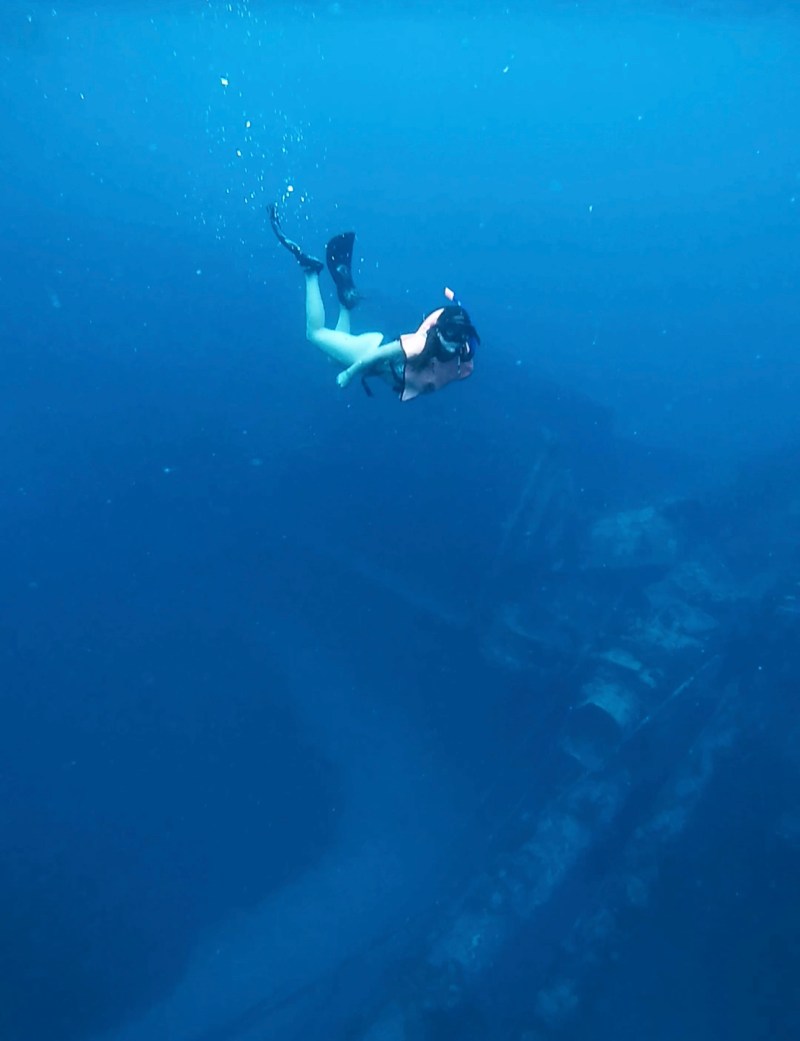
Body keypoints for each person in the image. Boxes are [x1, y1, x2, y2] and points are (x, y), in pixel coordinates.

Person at [269, 205, 479, 401]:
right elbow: (378, 355)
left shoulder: (464, 363)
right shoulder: (419, 344)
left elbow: (448, 323)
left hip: (378, 365)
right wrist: (349, 374)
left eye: (457, 340)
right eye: (449, 338)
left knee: (333, 359)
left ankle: (346, 299)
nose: (452, 345)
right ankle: (311, 272)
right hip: (369, 351)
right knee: (314, 334)